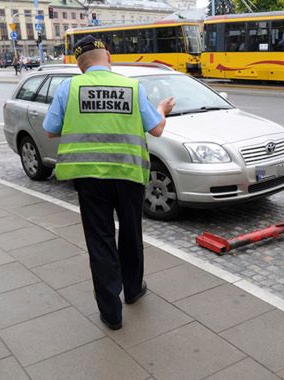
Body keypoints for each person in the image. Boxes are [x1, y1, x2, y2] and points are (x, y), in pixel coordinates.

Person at [42, 35, 176, 331]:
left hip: (89, 179)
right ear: (109, 57)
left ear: (80, 66)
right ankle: (133, 289)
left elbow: (50, 131)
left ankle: (111, 314)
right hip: (128, 176)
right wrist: (162, 110)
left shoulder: (70, 87)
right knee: (131, 234)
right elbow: (156, 129)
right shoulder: (132, 87)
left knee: (100, 241)